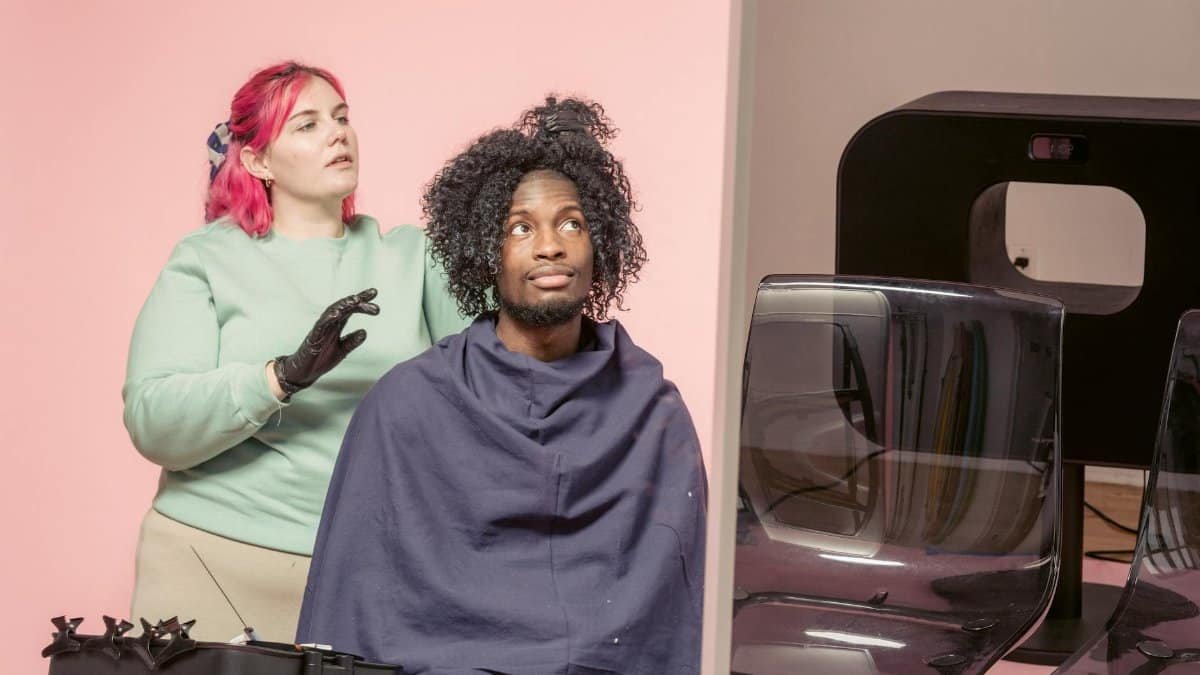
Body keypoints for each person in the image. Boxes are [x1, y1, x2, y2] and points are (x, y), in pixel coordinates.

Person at [297, 97, 707, 674]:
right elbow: (350, 611)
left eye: (572, 223)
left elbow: (672, 618)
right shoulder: (405, 406)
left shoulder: (654, 413)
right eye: (521, 228)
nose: (550, 246)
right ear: (486, 253)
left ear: (600, 244)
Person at [122, 61, 468, 641]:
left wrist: (543, 174)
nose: (337, 134)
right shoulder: (205, 260)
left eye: (341, 118)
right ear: (258, 161)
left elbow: (505, 364)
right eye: (307, 125)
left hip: (372, 569)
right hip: (211, 559)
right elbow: (152, 421)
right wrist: (280, 378)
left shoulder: (415, 257)